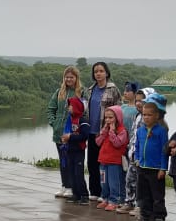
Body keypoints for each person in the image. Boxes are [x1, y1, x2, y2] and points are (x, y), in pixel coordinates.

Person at [83, 62, 122, 200]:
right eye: (95, 71)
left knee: (104, 164)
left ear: (106, 73)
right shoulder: (90, 90)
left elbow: (119, 110)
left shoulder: (113, 89)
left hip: (104, 132)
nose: (98, 73)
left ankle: (106, 194)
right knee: (92, 163)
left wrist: (113, 128)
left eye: (101, 71)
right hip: (91, 132)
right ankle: (94, 192)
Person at [134, 92, 169, 221]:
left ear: (157, 116)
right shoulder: (140, 131)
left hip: (155, 168)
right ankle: (145, 215)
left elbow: (164, 151)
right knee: (143, 194)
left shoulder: (161, 131)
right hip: (142, 167)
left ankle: (159, 216)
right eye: (144, 115)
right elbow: (137, 146)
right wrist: (137, 159)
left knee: (157, 195)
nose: (146, 117)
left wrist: (163, 168)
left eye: (149, 115)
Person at [48, 66, 83, 198]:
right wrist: (53, 122)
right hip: (59, 133)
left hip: (73, 133)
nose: (69, 79)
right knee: (62, 160)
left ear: (76, 78)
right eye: (67, 77)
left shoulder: (81, 92)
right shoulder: (59, 92)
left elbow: (84, 111)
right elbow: (51, 109)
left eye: (71, 77)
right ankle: (64, 185)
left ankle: (71, 187)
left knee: (71, 160)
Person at [118, 87, 147, 214]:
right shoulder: (137, 115)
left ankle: (140, 206)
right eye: (137, 100)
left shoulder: (149, 119)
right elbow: (133, 135)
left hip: (142, 157)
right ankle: (129, 202)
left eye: (142, 100)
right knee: (129, 179)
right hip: (132, 154)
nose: (139, 103)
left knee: (141, 183)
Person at [95, 105, 128, 210]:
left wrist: (112, 132)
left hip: (115, 162)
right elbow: (98, 142)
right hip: (103, 160)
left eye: (111, 117)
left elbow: (117, 143)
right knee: (104, 182)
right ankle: (105, 198)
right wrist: (104, 131)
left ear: (117, 117)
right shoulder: (106, 129)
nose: (108, 120)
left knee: (114, 182)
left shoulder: (122, 131)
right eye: (106, 118)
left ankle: (114, 200)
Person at [61, 96, 90, 204]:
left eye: (71, 106)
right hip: (70, 150)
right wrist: (64, 138)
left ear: (77, 107)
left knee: (78, 173)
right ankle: (76, 194)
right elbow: (67, 132)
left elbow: (85, 136)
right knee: (71, 173)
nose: (69, 108)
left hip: (78, 150)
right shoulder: (70, 119)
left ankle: (84, 195)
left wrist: (71, 137)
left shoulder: (83, 121)